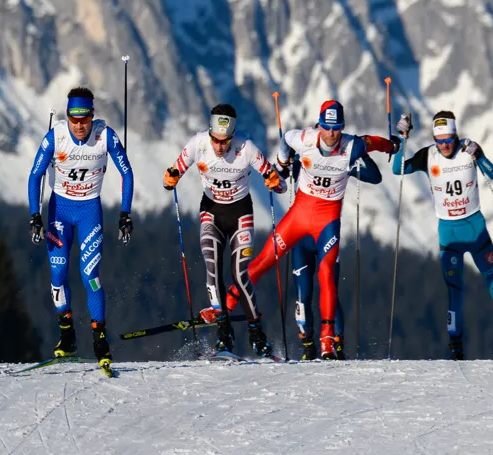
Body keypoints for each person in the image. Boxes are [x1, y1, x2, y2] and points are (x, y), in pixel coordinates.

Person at [222, 99, 400, 360]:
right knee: (263, 262)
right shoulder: (304, 138)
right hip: (299, 217)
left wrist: (392, 145)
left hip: (327, 222)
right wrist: (282, 163)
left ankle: (327, 340)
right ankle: (225, 307)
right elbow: (285, 140)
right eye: (327, 127)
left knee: (327, 273)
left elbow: (374, 142)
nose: (332, 134)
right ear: (320, 125)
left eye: (337, 128)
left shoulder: (352, 145)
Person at [392, 110, 493, 361]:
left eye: (448, 140)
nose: (444, 146)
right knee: (454, 292)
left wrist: (478, 154)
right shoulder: (428, 155)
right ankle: (456, 349)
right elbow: (397, 169)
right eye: (439, 141)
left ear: (456, 135)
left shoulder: (468, 149)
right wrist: (402, 138)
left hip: (476, 231)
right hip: (449, 235)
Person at [164, 104, 286, 358]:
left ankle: (257, 336)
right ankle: (224, 335)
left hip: (240, 213)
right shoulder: (198, 144)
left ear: (233, 136)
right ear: (209, 134)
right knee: (212, 269)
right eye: (216, 140)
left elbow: (278, 184)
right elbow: (174, 171)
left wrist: (274, 182)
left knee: (240, 275)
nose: (219, 146)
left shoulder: (247, 149)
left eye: (225, 141)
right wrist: (171, 178)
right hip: (211, 211)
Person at [27, 87, 134, 369]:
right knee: (58, 274)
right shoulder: (56, 137)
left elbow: (127, 172)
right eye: (74, 120)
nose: (79, 126)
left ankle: (100, 339)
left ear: (92, 116)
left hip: (89, 212)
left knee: (91, 276)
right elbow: (35, 174)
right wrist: (34, 215)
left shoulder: (105, 136)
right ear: (67, 117)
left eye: (84, 120)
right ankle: (67, 335)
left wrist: (125, 214)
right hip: (59, 212)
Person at [286, 148, 381, 360]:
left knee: (329, 291)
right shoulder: (305, 158)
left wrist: (362, 154)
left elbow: (375, 177)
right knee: (304, 294)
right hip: (301, 238)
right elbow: (282, 175)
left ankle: (336, 345)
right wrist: (287, 157)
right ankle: (308, 347)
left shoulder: (342, 161)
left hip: (327, 237)